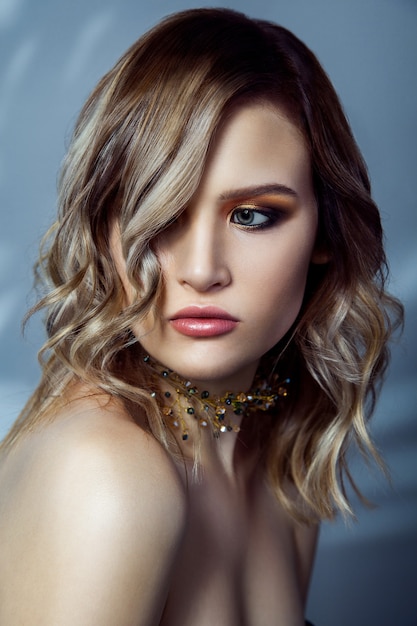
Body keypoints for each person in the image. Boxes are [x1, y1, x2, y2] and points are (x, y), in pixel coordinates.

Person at [0, 7, 403, 625]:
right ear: (105, 224)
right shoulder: (106, 474)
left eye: (251, 215)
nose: (201, 269)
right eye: (162, 214)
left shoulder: (279, 453)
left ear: (325, 229)